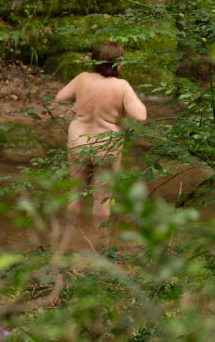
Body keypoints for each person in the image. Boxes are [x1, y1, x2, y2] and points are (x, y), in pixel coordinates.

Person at [54, 41, 147, 229]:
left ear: (93, 60)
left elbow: (60, 97)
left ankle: (69, 239)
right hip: (106, 145)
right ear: (118, 63)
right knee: (102, 198)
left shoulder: (82, 79)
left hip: (78, 141)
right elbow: (140, 115)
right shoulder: (121, 86)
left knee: (75, 191)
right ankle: (99, 246)